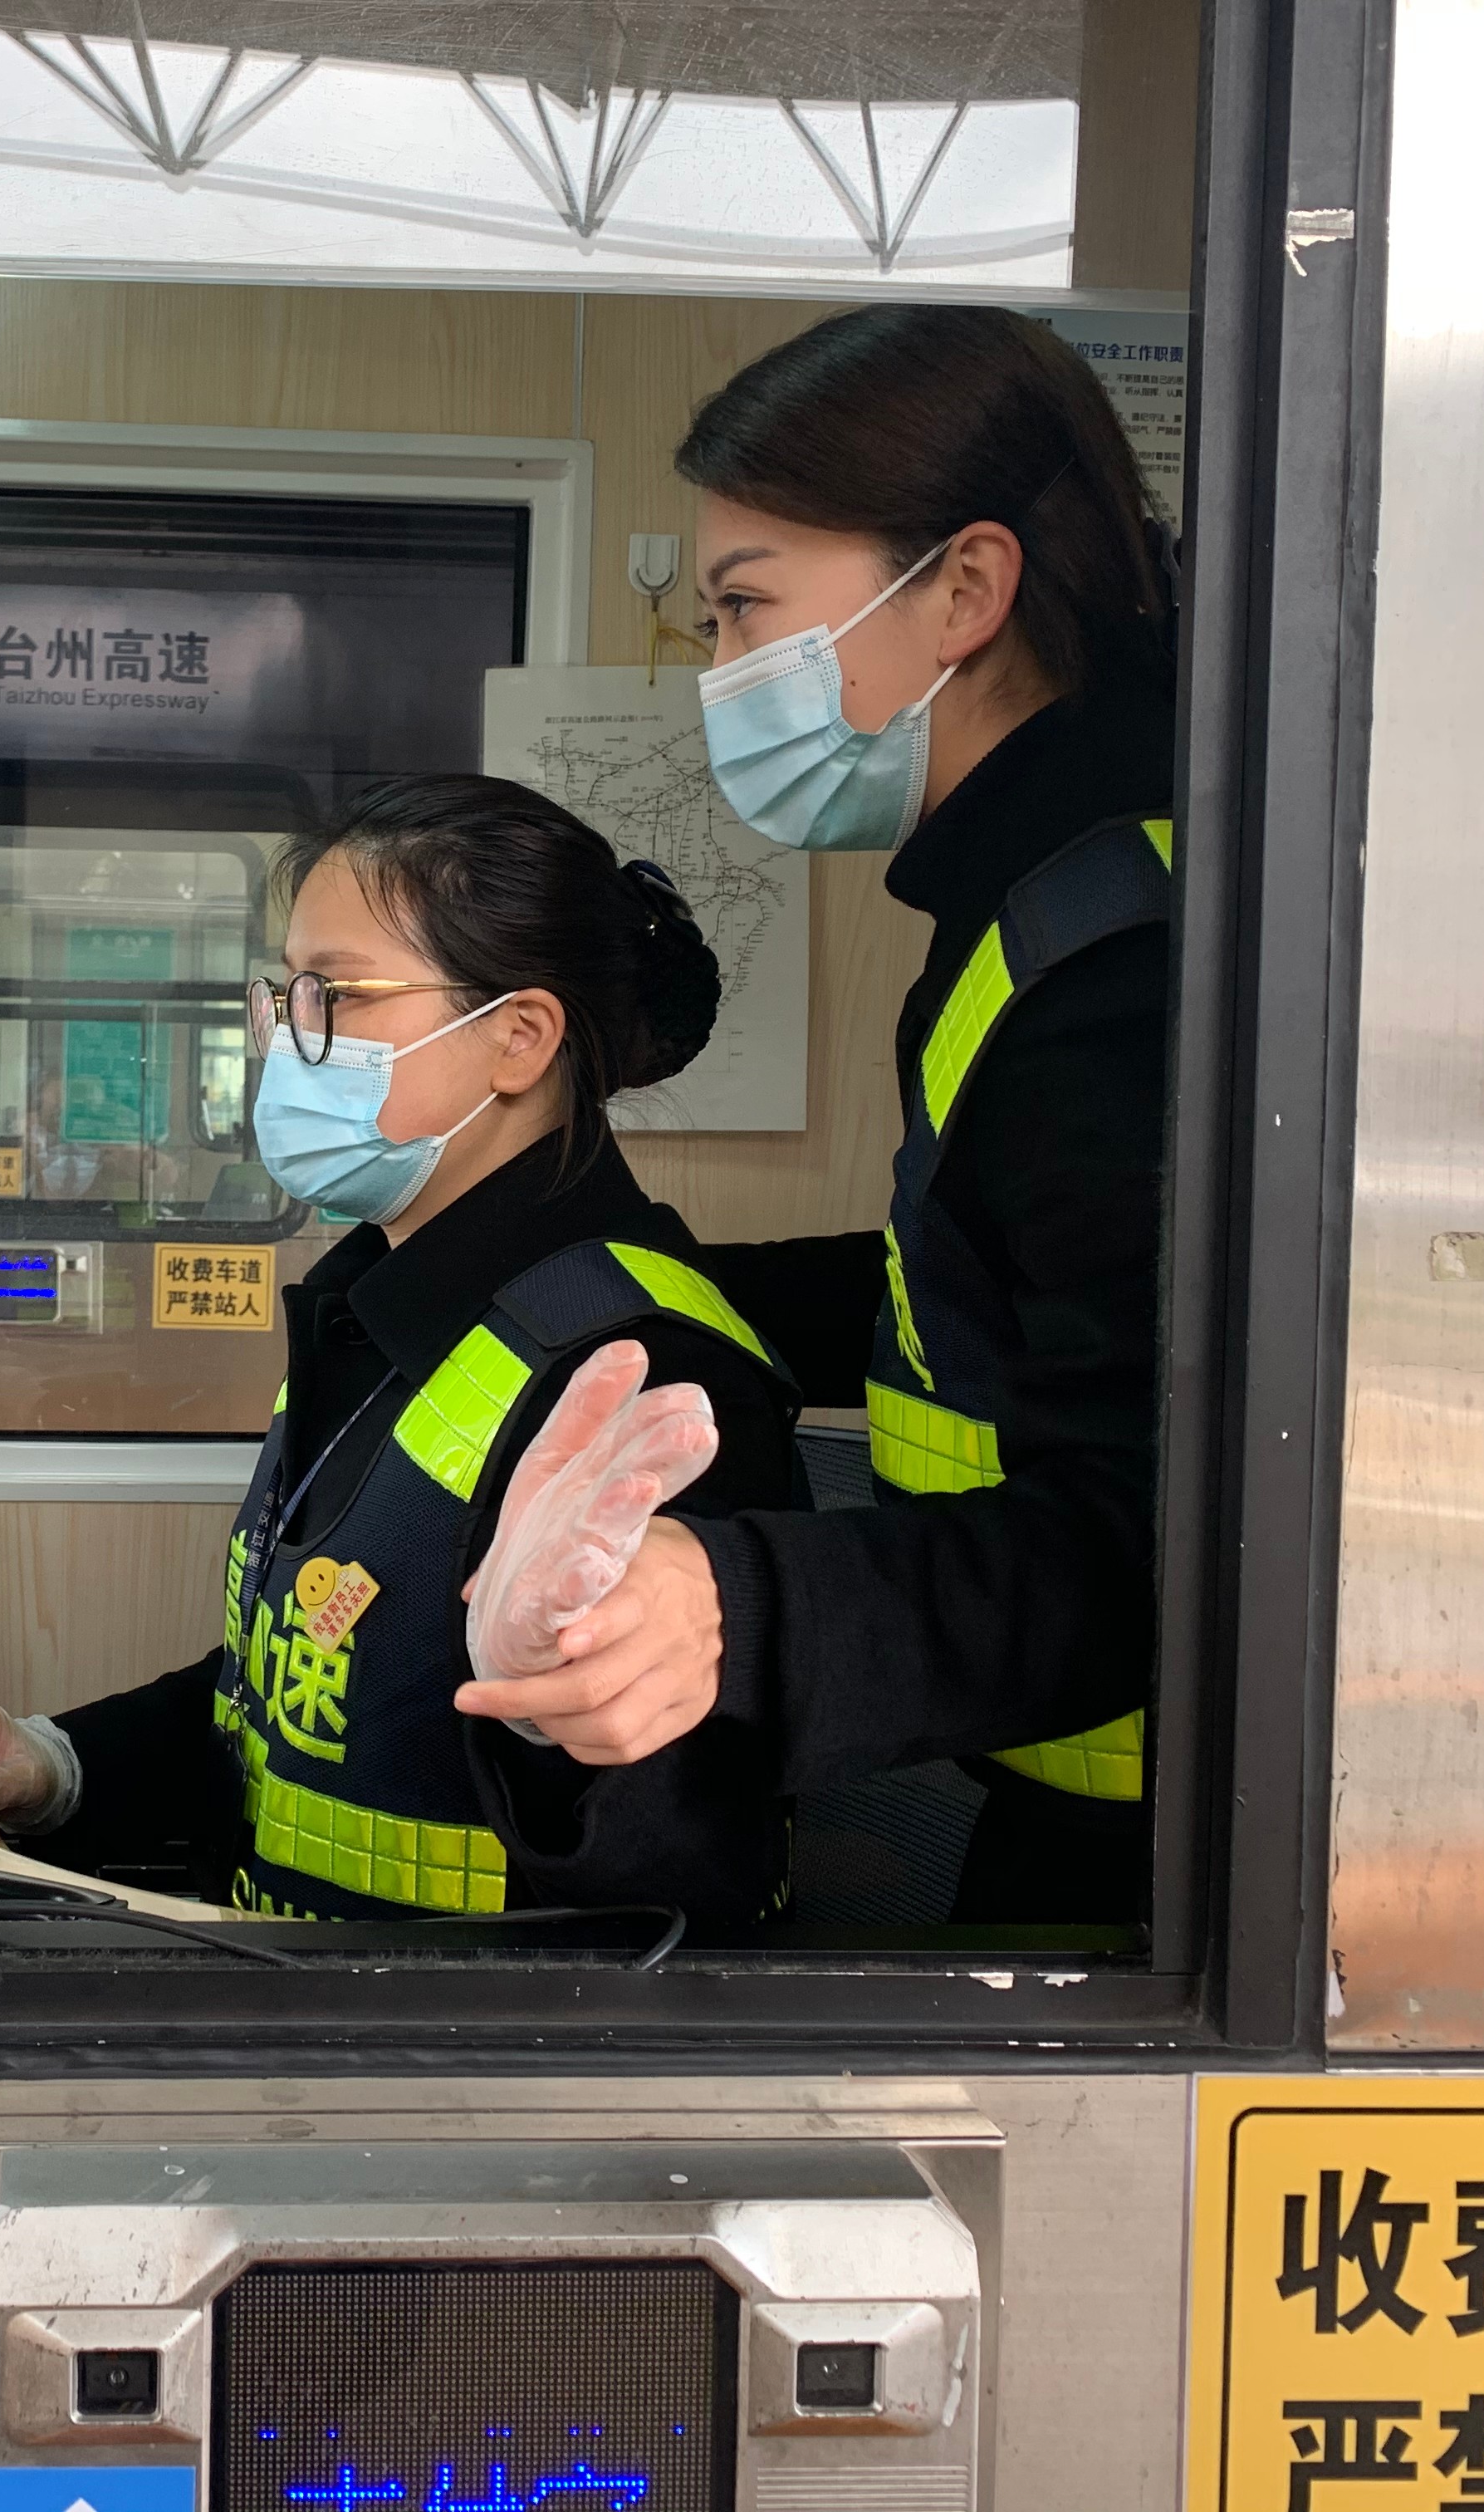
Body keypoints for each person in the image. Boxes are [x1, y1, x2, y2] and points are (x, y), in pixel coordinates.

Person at [458, 304, 1178, 1927]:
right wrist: (653, 1297)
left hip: (1164, 1873)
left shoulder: (1119, 966)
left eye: (744, 608)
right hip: (1070, 1799)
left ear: (966, 591)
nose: (720, 672)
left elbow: (1158, 1526)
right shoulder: (1032, 903)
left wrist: (732, 1607)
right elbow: (979, 1285)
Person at [0, 776, 806, 1926]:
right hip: (287, 1982)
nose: (286, 1038)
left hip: (447, 2029)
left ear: (517, 1039)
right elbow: (310, 1694)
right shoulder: (378, 1306)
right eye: (284, 993)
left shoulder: (642, 1372)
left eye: (338, 995)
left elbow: (669, 1891)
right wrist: (58, 1764)